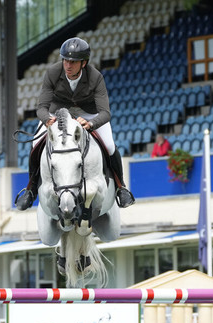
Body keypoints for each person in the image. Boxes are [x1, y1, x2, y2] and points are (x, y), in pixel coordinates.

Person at [15, 37, 135, 210]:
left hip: (89, 113)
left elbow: (105, 112)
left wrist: (92, 123)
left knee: (109, 146)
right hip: (57, 113)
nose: (68, 65)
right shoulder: (53, 73)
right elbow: (41, 107)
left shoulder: (96, 77)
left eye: (73, 62)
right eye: (65, 60)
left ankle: (120, 188)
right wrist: (47, 119)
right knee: (35, 144)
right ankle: (31, 189)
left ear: (84, 63)